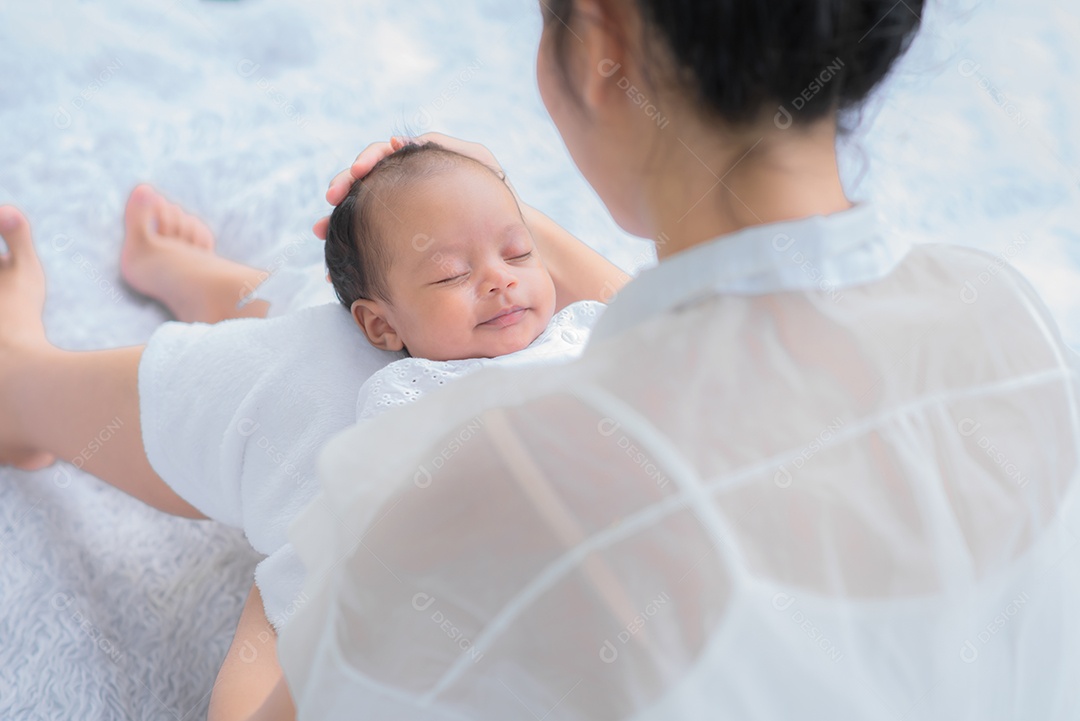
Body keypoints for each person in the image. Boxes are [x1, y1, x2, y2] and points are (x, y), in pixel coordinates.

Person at [2, 0, 1077, 719]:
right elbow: (731, 338)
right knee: (399, 314)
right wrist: (528, 236)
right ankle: (226, 295)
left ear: (604, 48)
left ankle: (25, 380)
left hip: (412, 483)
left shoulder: (495, 482)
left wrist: (288, 595)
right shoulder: (1010, 315)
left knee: (317, 380)